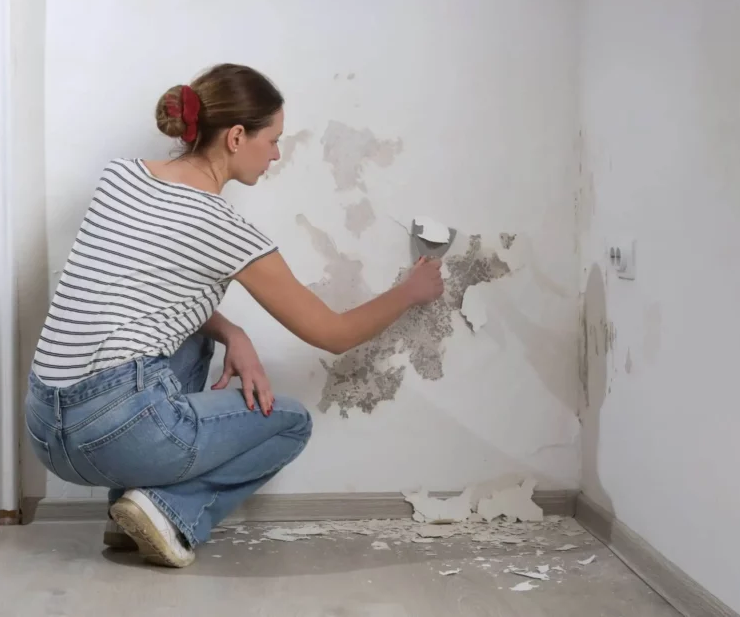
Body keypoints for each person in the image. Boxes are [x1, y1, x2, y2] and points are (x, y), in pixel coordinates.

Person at [26, 63, 445, 568]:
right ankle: (165, 511)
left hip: (45, 428)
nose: (276, 154)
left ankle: (126, 520)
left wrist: (232, 330)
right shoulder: (222, 227)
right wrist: (408, 291)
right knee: (290, 424)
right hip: (113, 433)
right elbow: (333, 334)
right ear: (237, 136)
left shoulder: (121, 177)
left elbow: (139, 288)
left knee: (195, 340)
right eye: (273, 140)